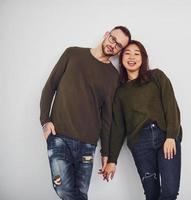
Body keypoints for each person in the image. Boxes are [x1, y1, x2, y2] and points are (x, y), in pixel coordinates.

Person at [40, 26, 131, 200]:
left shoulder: (113, 77)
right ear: (106, 35)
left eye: (119, 45)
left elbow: (107, 119)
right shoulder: (73, 54)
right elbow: (50, 86)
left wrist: (106, 153)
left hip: (88, 145)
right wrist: (45, 120)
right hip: (59, 136)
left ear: (120, 51)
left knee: (80, 194)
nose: (114, 45)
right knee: (64, 191)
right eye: (113, 39)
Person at [103, 40, 182, 200]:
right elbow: (118, 128)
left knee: (170, 192)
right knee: (151, 195)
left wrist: (171, 136)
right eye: (127, 53)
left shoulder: (157, 76)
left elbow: (171, 106)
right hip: (140, 144)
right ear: (122, 59)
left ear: (143, 58)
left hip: (164, 137)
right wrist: (112, 160)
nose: (132, 57)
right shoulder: (120, 93)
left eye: (136, 53)